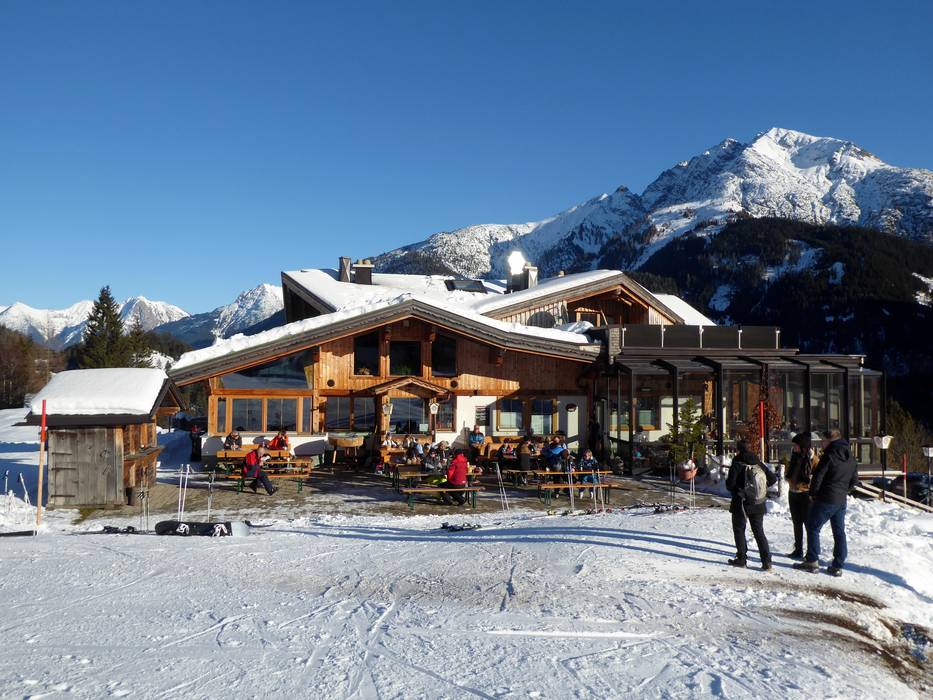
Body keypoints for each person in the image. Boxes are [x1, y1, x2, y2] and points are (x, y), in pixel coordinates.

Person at [794, 429, 859, 576]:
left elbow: (818, 477)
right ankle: (838, 565)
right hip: (840, 500)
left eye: (823, 441)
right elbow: (854, 481)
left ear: (830, 441)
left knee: (812, 527)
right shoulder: (850, 457)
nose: (821, 444)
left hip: (826, 498)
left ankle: (812, 561)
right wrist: (843, 491)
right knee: (839, 531)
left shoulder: (829, 455)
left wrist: (813, 494)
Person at [725, 440, 777, 570]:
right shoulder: (757, 462)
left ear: (738, 450)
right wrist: (760, 489)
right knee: (759, 531)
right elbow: (773, 479)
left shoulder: (737, 463)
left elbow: (730, 485)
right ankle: (767, 562)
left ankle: (741, 559)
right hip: (758, 502)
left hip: (740, 503)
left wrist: (740, 491)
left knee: (739, 530)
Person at [785, 432, 815, 558]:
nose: (794, 448)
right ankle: (798, 550)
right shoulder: (794, 456)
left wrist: (809, 486)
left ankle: (811, 552)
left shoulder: (813, 459)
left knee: (808, 524)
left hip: (805, 494)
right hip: (793, 493)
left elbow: (818, 477)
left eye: (796, 445)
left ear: (803, 446)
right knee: (796, 523)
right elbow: (789, 472)